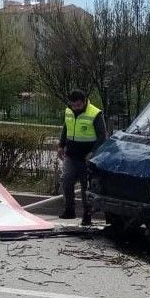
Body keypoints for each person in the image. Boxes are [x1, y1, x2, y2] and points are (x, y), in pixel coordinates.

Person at [58, 90, 107, 226]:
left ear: (85, 101)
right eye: (73, 105)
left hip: (87, 157)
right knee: (67, 181)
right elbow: (66, 127)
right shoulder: (68, 111)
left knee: (86, 187)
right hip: (71, 154)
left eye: (78, 105)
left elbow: (102, 136)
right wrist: (61, 145)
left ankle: (87, 215)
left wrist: (93, 152)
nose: (75, 108)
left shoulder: (95, 113)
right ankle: (69, 210)